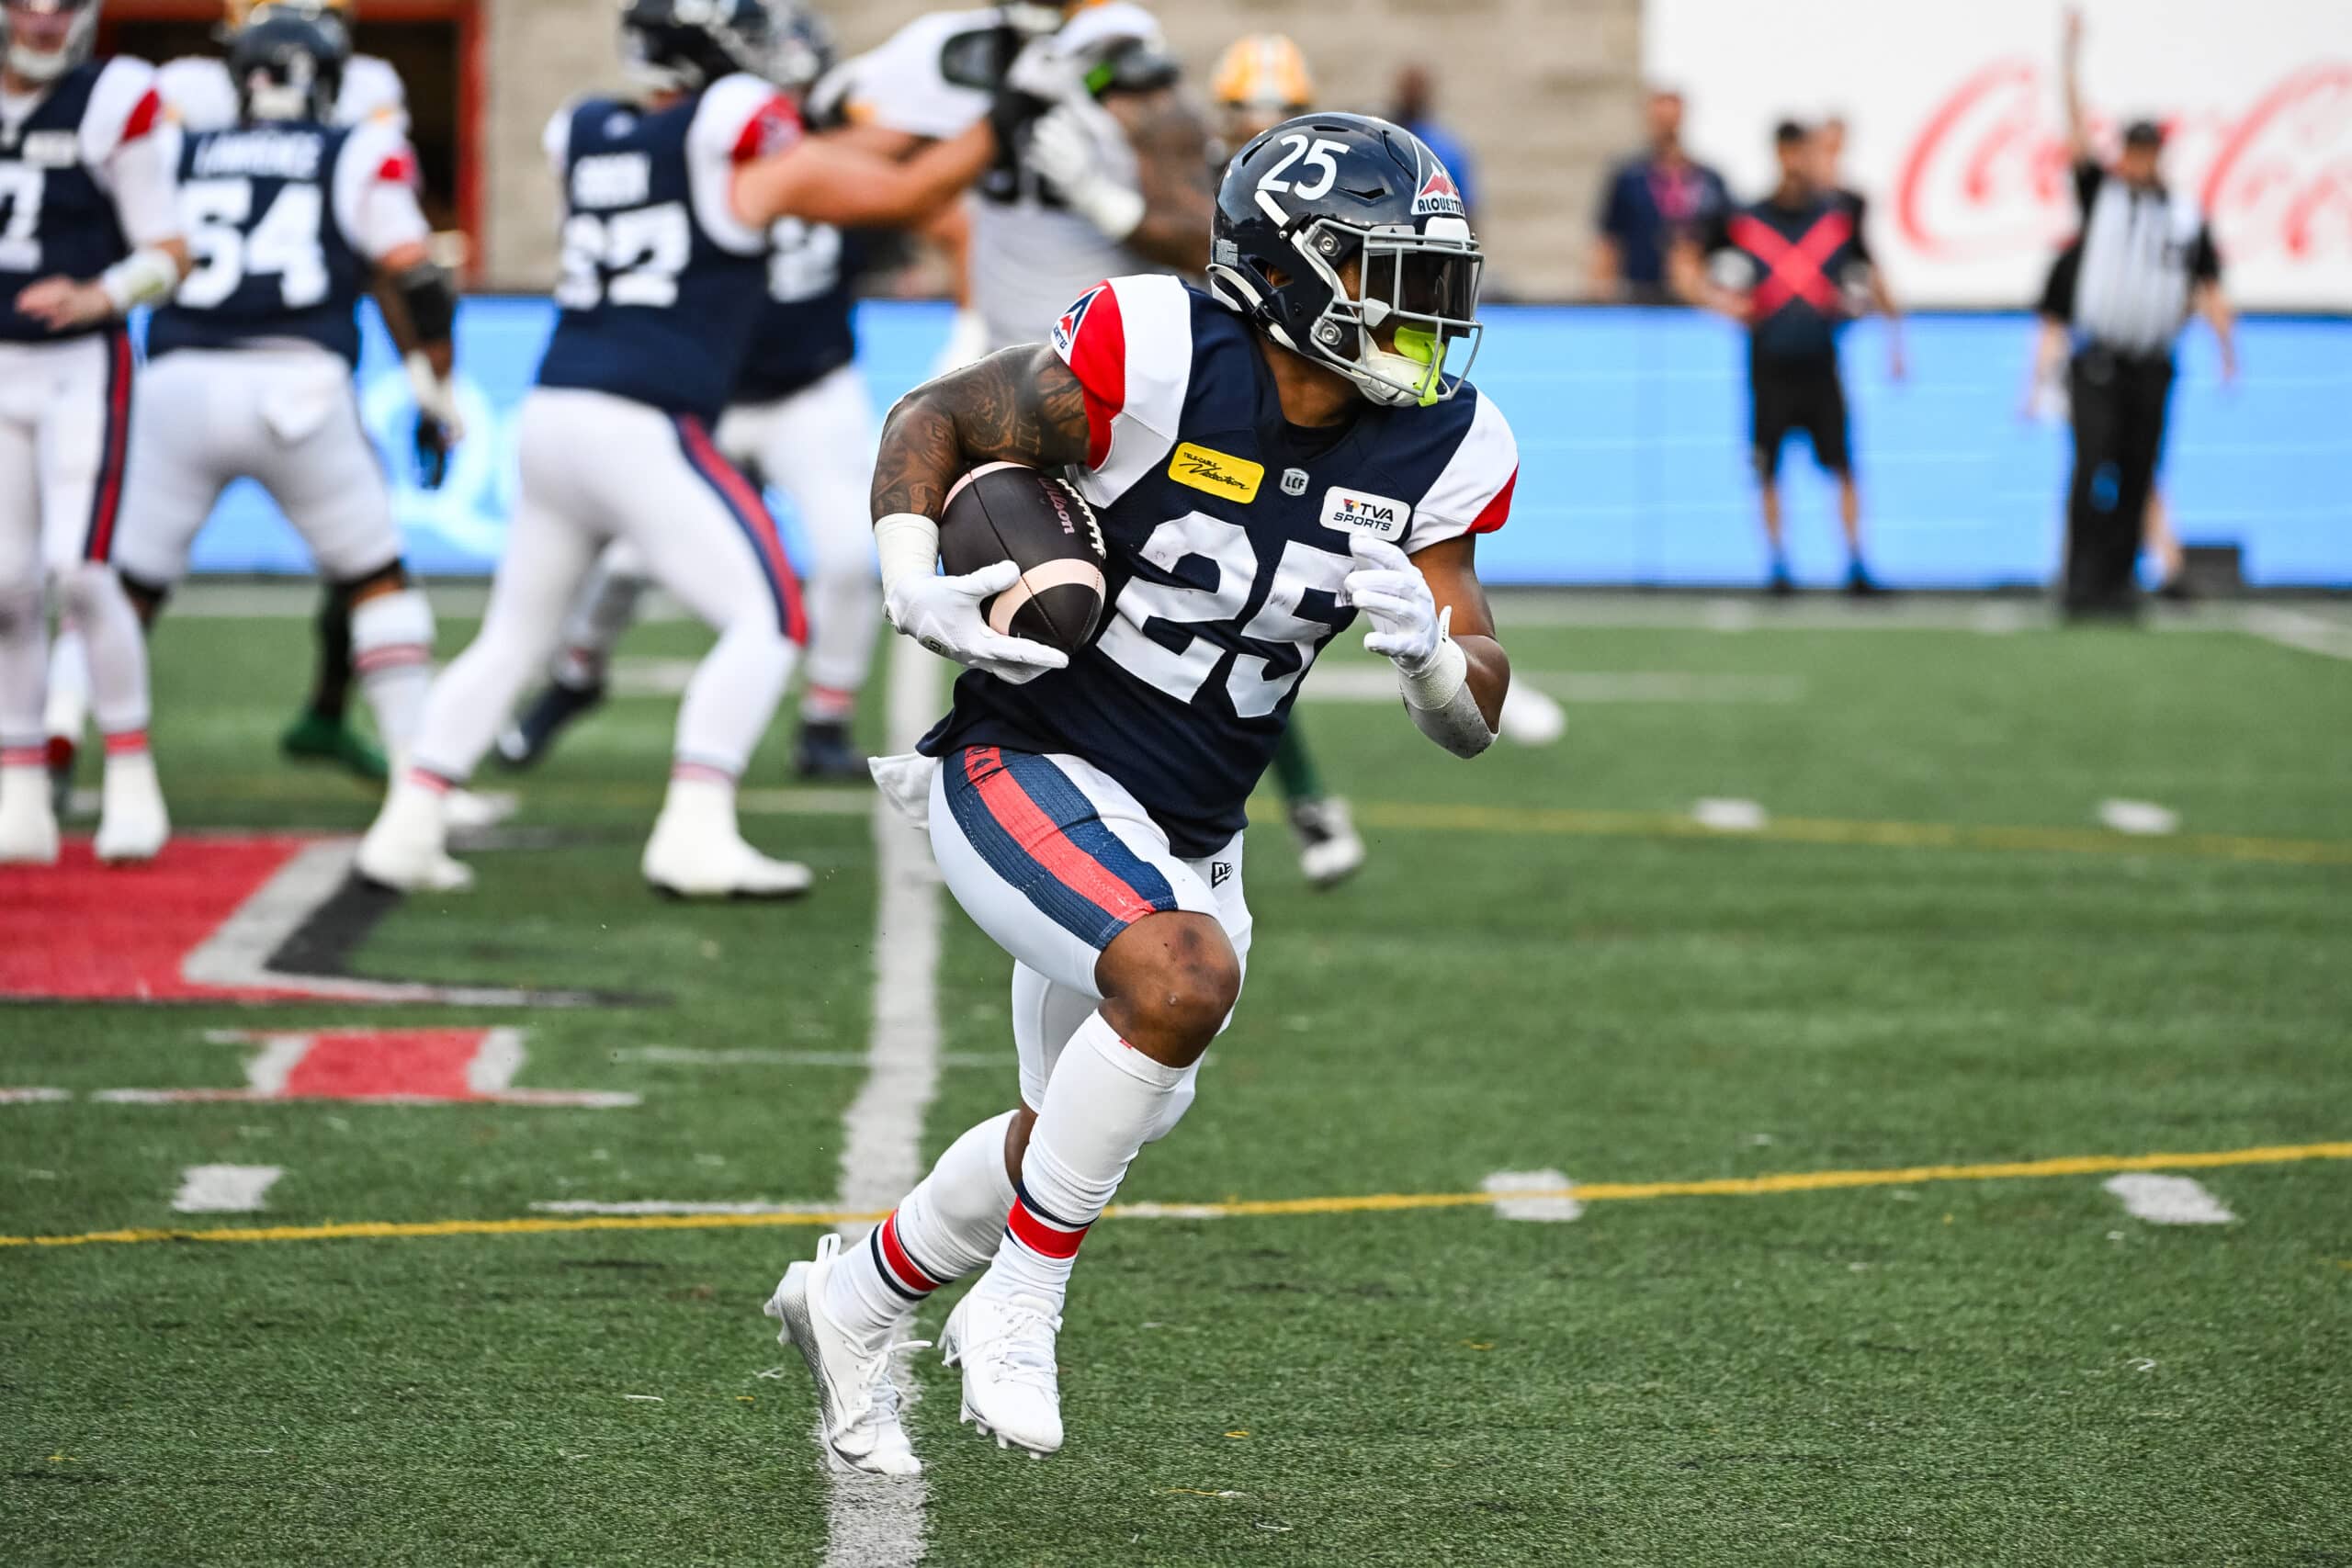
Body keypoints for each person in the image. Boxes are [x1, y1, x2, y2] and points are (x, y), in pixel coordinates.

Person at [767, 113, 1519, 1470]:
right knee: (1181, 979)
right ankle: (1022, 1301)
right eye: (1383, 271)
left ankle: (857, 1292)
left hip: (1192, 825)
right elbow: (936, 417)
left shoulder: (1445, 446)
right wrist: (901, 566)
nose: (1419, 310)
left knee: (1102, 1109)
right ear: (1290, 275)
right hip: (1026, 762)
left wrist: (1427, 661)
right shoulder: (1163, 351)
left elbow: (1474, 710)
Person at [354, 0, 999, 897]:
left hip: (552, 410)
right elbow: (899, 197)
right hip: (641, 420)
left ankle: (407, 822)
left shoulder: (588, 129)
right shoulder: (729, 135)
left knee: (511, 635)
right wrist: (1000, 121)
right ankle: (694, 827)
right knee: (769, 618)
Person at [493, 3, 892, 784]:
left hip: (809, 385)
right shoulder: (711, 147)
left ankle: (825, 718)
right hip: (709, 397)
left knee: (848, 553)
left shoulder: (825, 147)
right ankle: (576, 674)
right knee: (625, 563)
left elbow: (901, 204)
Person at [105, 9, 460, 823]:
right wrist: (435, 390)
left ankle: (52, 740)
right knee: (377, 580)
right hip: (298, 385)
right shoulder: (356, 137)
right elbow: (416, 276)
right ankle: (418, 781)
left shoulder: (177, 135)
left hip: (178, 381)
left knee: (123, 591)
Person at [0, 0, 181, 863]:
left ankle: (131, 771)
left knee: (81, 572)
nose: (40, 25)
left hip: (80, 364)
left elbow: (168, 250)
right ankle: (20, 787)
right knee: (3, 586)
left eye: (59, 7)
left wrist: (101, 294)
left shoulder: (116, 95)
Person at [2049, 9, 2233, 619]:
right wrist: (2070, 58)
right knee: (2092, 464)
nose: (2140, 159)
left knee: (2138, 470)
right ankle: (2079, 582)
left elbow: (2208, 284)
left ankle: (2119, 582)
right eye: (2133, 148)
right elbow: (2075, 131)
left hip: (2153, 361)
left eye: (2149, 150)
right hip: (2100, 356)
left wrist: (2226, 346)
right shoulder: (2101, 193)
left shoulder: (2184, 214)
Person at [1674, 119, 1891, 595]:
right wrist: (1721, 303)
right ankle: (1778, 565)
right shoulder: (1747, 219)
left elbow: (1872, 276)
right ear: (1779, 155)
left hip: (1821, 358)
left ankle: (1855, 564)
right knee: (1769, 466)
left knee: (1842, 465)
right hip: (1769, 360)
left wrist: (1890, 329)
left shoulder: (1837, 216)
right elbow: (1685, 260)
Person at [2028, 241, 2192, 602]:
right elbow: (2053, 326)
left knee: (2135, 474)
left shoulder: (2146, 259)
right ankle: (2084, 570)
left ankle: (2159, 562)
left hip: (2128, 382)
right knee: (2093, 476)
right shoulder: (2077, 262)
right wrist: (2037, 385)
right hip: (2090, 383)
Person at [1592, 87, 1728, 304]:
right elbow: (1608, 242)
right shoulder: (1629, 179)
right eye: (1659, 116)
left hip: (1696, 299)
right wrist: (1600, 297)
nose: (1665, 125)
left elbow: (1729, 242)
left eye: (1671, 116)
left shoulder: (1709, 180)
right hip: (1640, 296)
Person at [1385, 64, 1474, 212]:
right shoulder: (1384, 136)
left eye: (1415, 89)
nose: (1411, 95)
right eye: (1408, 88)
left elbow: (1467, 205)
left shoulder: (1447, 147)